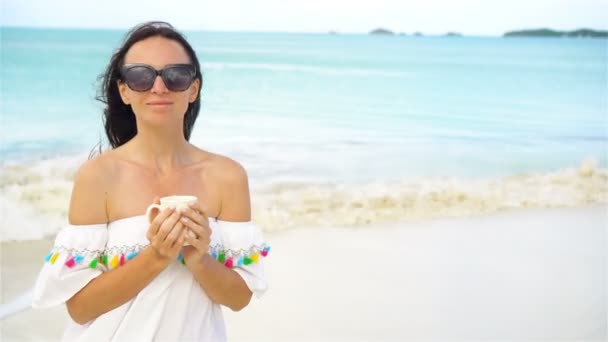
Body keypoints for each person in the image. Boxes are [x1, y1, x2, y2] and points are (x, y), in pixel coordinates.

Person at [31, 21, 270, 341]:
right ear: (125, 91)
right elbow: (80, 309)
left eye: (175, 75)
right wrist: (156, 255)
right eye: (141, 76)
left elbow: (238, 298)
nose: (159, 88)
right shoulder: (98, 176)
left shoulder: (227, 176)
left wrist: (199, 259)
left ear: (193, 89)